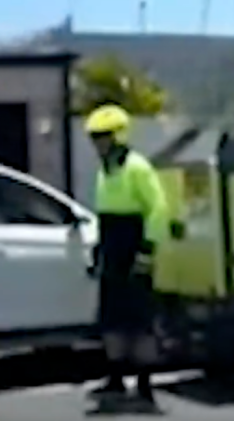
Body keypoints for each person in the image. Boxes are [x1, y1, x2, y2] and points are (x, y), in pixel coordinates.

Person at [84, 103, 171, 410]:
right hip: (112, 247)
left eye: (103, 137)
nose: (97, 143)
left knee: (140, 321)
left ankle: (145, 384)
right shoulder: (104, 172)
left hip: (135, 248)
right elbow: (103, 213)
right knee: (112, 319)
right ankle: (116, 377)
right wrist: (98, 250)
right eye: (94, 138)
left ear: (118, 136)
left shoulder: (137, 167)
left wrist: (147, 250)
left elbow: (158, 208)